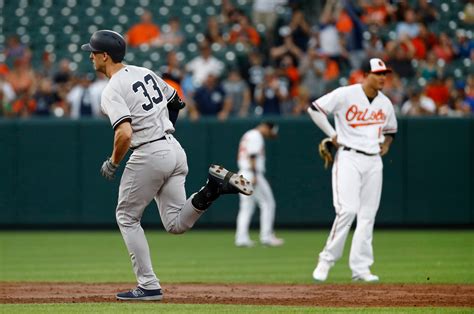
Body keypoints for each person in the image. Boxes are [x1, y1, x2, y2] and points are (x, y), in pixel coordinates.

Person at [81, 30, 253, 301]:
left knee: (126, 217)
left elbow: (124, 133)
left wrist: (113, 162)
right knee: (175, 224)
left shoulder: (112, 89)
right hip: (173, 148)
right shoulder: (144, 72)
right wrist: (164, 129)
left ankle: (148, 285)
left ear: (105, 55)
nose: (90, 55)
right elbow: (177, 101)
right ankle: (212, 189)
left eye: (93, 51)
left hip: (148, 152)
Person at [307, 58, 397, 282]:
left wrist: (386, 144)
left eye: (385, 74)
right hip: (349, 157)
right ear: (365, 74)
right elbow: (314, 109)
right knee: (347, 210)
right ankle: (326, 260)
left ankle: (361, 269)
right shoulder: (346, 94)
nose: (382, 78)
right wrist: (331, 134)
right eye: (378, 73)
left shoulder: (385, 103)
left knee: (367, 216)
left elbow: (391, 130)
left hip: (374, 161)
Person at [235, 121, 284, 247]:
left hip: (242, 173)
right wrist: (255, 175)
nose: (269, 135)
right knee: (268, 203)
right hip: (252, 173)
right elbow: (252, 155)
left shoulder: (248, 134)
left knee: (246, 208)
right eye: (270, 132)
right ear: (266, 127)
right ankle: (266, 236)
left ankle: (241, 238)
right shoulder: (256, 135)